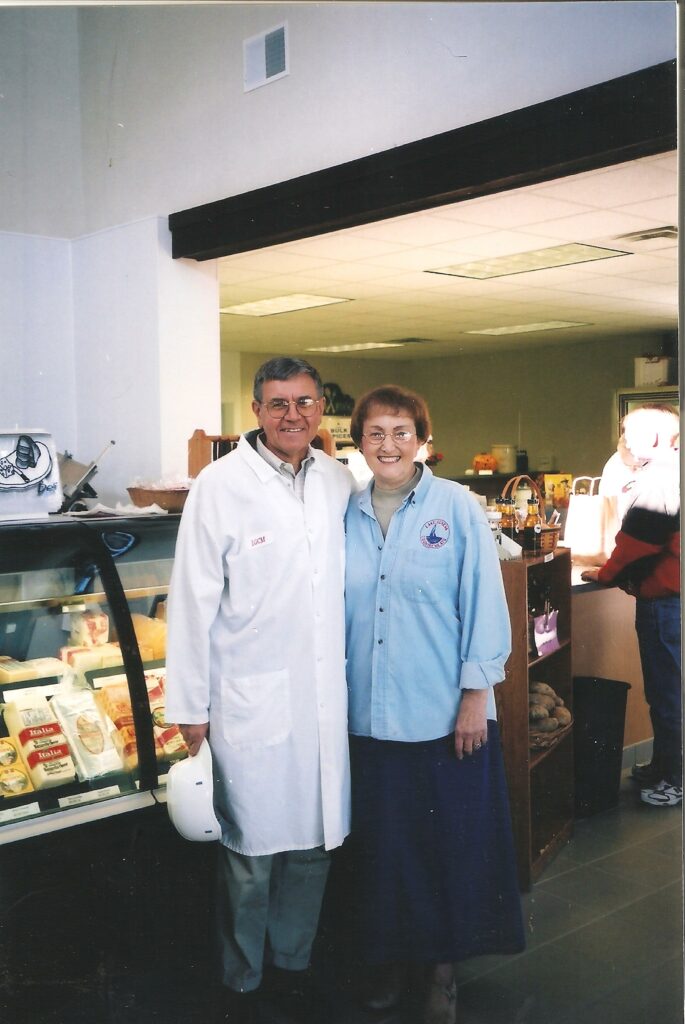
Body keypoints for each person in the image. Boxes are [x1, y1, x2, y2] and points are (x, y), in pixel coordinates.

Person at [165, 357, 354, 1023]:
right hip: (246, 693)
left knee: (311, 844)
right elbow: (190, 601)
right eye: (278, 404)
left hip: (324, 698)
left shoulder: (338, 480)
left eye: (305, 403)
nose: (293, 415)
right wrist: (188, 706)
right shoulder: (220, 485)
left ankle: (292, 966)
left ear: (320, 408)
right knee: (250, 851)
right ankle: (241, 980)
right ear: (255, 410)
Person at [343, 385, 525, 1024]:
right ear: (358, 442)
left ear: (422, 439)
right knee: (384, 854)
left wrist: (477, 696)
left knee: (449, 852)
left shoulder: (456, 507)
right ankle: (393, 961)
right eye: (375, 433)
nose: (387, 445)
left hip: (447, 717)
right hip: (368, 718)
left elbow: (485, 605)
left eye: (400, 432)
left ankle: (443, 977)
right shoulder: (345, 514)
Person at [582, 404, 681, 808]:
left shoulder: (661, 478)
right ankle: (663, 764)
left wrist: (606, 574)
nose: (623, 439)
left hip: (668, 604)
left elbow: (640, 542)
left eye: (628, 431)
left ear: (654, 438)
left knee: (670, 696)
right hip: (668, 601)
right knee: (665, 694)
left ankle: (675, 778)